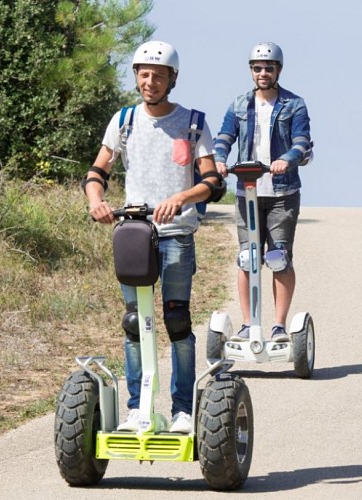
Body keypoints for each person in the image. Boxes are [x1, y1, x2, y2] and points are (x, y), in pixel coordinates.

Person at [82, 41, 224, 433]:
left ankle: (182, 410)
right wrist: (96, 201)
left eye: (158, 76)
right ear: (136, 77)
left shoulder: (193, 123)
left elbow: (213, 182)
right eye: (144, 74)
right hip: (135, 234)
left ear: (171, 80)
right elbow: (97, 172)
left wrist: (181, 198)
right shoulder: (124, 120)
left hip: (176, 234)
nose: (150, 81)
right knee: (134, 322)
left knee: (176, 320)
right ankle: (136, 409)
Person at [214, 42, 312, 343]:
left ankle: (279, 326)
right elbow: (224, 137)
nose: (263, 73)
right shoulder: (239, 104)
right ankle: (248, 324)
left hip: (282, 191)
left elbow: (302, 141)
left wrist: (286, 159)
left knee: (278, 257)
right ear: (251, 71)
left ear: (278, 70)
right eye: (257, 68)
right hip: (248, 191)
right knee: (247, 257)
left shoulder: (294, 104)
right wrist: (219, 159)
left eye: (269, 68)